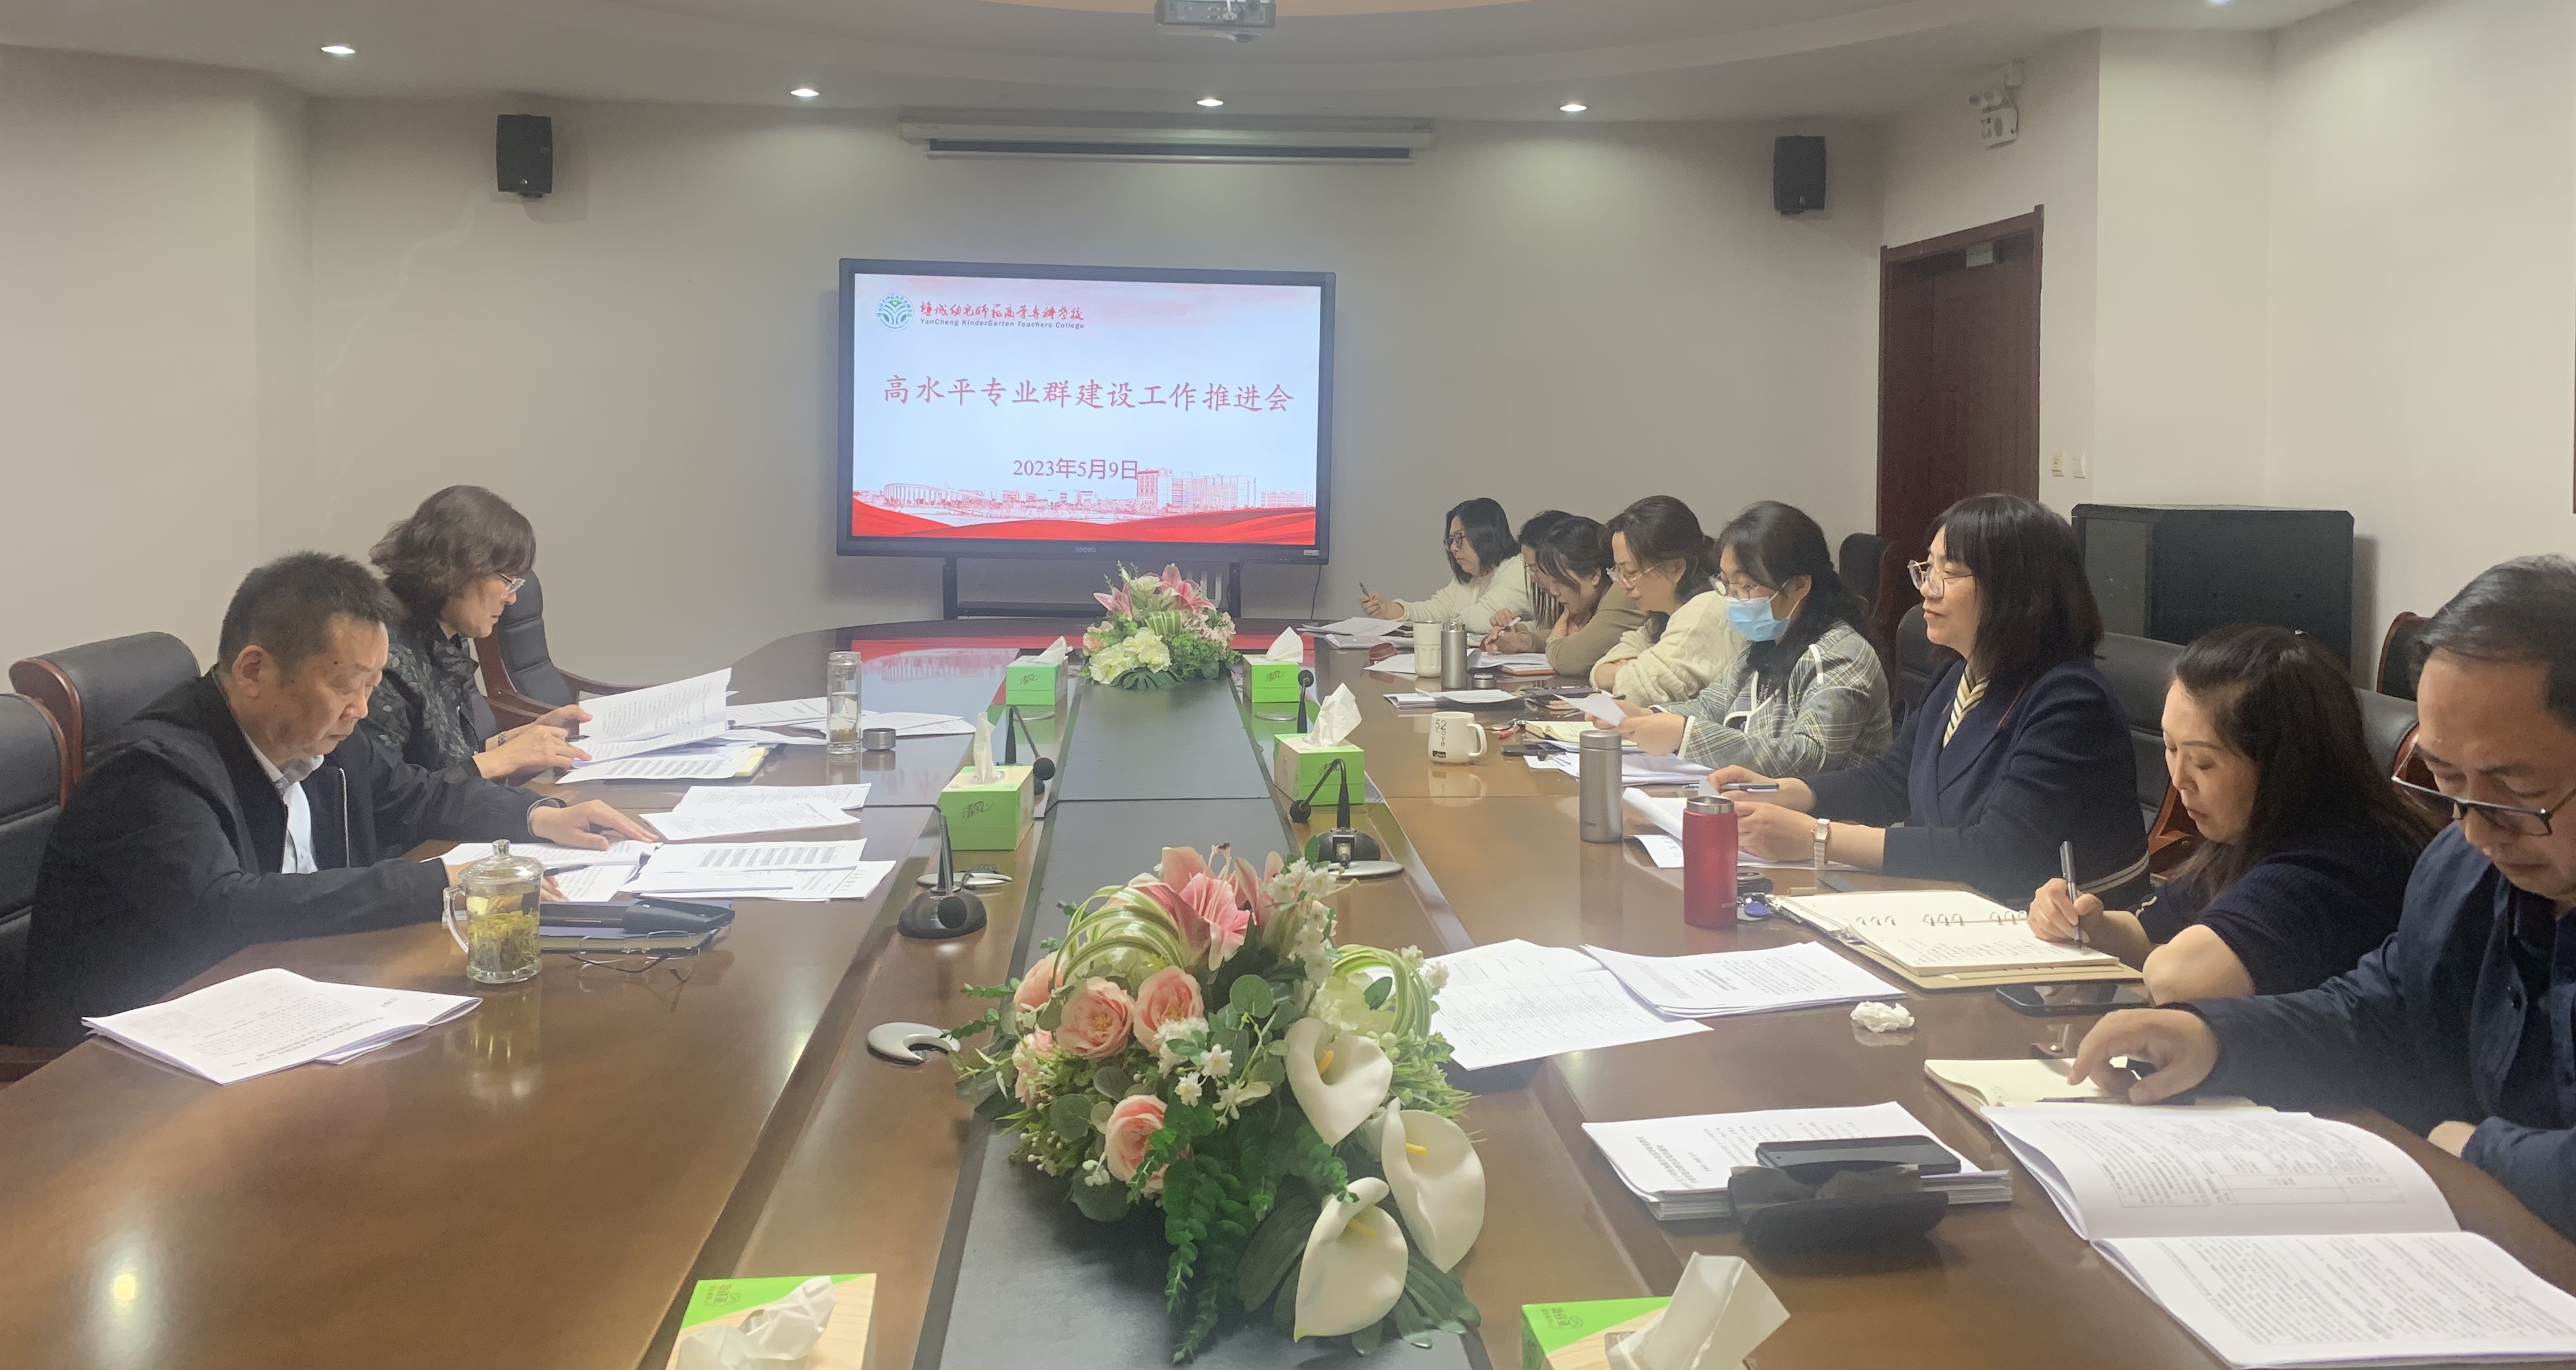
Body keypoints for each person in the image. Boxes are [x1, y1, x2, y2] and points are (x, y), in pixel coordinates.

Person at [2070, 556, 2576, 1240]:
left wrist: (2478, 1149)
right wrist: (2211, 1036)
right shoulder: (2458, 870)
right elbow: (2373, 1011)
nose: (2474, 829)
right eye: (2447, 780)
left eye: (2514, 791)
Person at [14, 553, 658, 1045]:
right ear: (254, 670)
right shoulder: (151, 773)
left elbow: (416, 796)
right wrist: (441, 882)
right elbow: (225, 909)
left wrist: (538, 817)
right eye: (346, 685)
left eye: (373, 685)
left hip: (284, 1002)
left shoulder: (326, 735)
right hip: (131, 1058)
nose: (361, 709)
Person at [1709, 494, 2148, 906]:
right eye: (1926, 568)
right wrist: (1784, 793)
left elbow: (1998, 851)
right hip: (1952, 904)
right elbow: (1892, 779)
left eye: (1948, 573)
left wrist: (1816, 838)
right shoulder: (1958, 673)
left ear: (2016, 588)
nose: (1926, 588)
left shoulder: (2070, 702)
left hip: (2045, 930)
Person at [2025, 623, 2435, 1002]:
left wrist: (2168, 954)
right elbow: (2145, 930)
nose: (2179, 780)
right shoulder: (2247, 834)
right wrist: (2087, 925)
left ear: (2284, 767)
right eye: (2170, 748)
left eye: (2203, 763)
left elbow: (2175, 978)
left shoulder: (2336, 864)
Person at [1618, 501, 1891, 777]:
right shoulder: (1768, 638)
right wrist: (1647, 717)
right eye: (1726, 583)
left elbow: (1808, 758)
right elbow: (1714, 705)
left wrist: (1686, 736)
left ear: (1799, 586)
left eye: (1747, 585)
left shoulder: (1841, 656)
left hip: (1828, 805)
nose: (1732, 598)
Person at [367, 485, 590, 783]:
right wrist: (505, 759)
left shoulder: (445, 639)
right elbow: (392, 794)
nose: (512, 599)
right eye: (508, 581)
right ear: (459, 569)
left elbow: (456, 761)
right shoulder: (383, 656)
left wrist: (530, 736)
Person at [1591, 496, 1743, 706]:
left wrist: (1628, 670)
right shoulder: (1662, 615)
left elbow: (1635, 691)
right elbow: (1599, 671)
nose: (1624, 584)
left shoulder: (1707, 607)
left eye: (1631, 572)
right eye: (1619, 572)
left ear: (1675, 568)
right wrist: (1630, 670)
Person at [1480, 511, 1647, 677]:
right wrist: (1525, 641)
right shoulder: (1594, 598)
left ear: (1593, 575)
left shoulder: (1621, 593)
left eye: (1559, 580)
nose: (1553, 591)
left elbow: (1570, 660)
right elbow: (1567, 635)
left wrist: (1555, 642)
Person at [1358, 498, 1532, 628]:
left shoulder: (1519, 568)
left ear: (1484, 535)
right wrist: (1387, 608)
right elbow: (1434, 611)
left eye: (1459, 538)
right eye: (1450, 540)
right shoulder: (1470, 577)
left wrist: (1444, 621)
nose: (1453, 548)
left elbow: (1482, 620)